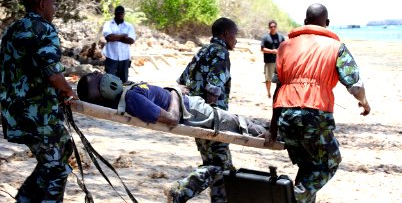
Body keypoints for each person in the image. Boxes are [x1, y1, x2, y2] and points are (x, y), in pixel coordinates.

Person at [266, 3, 371, 203]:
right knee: (329, 163)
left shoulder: (286, 46)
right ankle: (293, 199)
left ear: (304, 22)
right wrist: (364, 102)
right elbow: (355, 85)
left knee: (307, 166)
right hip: (315, 115)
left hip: (286, 114)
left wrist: (273, 128)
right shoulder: (336, 46)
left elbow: (278, 88)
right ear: (328, 23)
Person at [0, 0, 78, 203]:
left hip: (15, 111)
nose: (55, 9)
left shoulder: (13, 29)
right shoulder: (43, 29)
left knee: (63, 150)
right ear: (42, 5)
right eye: (54, 4)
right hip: (39, 113)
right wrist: (69, 92)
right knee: (57, 168)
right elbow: (53, 74)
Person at [164, 17, 239, 203]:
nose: (236, 40)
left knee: (214, 163)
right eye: (235, 34)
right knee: (222, 166)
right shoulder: (221, 53)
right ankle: (180, 191)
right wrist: (213, 118)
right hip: (212, 118)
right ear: (225, 34)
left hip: (194, 116)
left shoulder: (203, 51)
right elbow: (213, 90)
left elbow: (181, 82)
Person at [76, 71, 266, 136]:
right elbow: (172, 119)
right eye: (97, 76)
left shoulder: (127, 94)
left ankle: (270, 130)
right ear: (106, 88)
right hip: (192, 111)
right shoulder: (132, 99)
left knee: (240, 123)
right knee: (241, 124)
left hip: (190, 106)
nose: (100, 72)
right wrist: (174, 92)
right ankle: (277, 135)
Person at [99, 5, 135, 83]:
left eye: (121, 13)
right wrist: (123, 35)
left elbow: (131, 40)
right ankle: (110, 95)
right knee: (110, 81)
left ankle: (122, 95)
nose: (120, 14)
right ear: (115, 13)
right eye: (118, 13)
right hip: (111, 57)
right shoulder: (108, 24)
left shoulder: (129, 26)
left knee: (123, 81)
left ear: (124, 14)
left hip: (124, 57)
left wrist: (115, 37)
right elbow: (108, 38)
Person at [260, 20, 285, 98]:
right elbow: (262, 49)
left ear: (276, 27)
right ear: (269, 28)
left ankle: (278, 93)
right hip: (269, 61)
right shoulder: (265, 37)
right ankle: (268, 93)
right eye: (271, 27)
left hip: (279, 61)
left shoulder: (281, 37)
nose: (273, 28)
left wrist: (279, 51)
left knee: (280, 79)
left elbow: (285, 48)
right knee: (268, 78)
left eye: (274, 26)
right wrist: (272, 51)